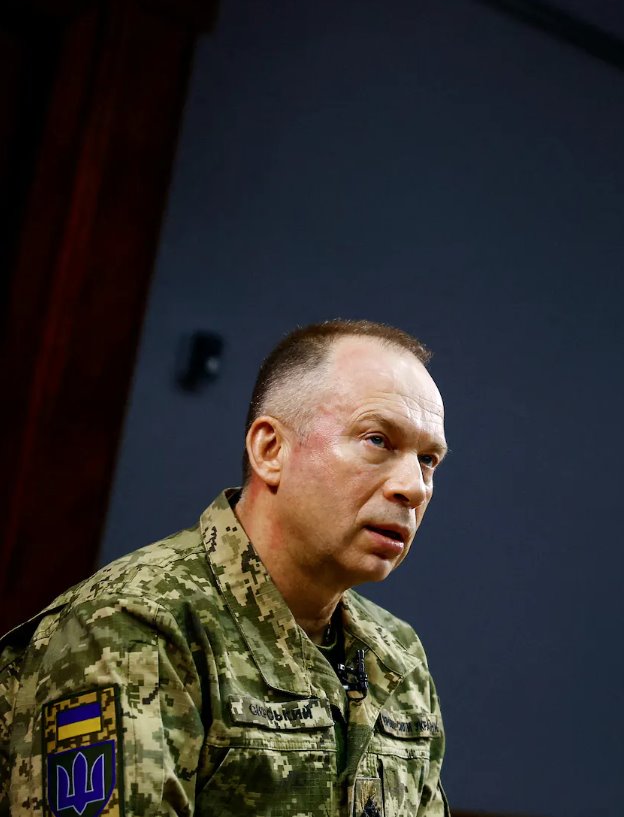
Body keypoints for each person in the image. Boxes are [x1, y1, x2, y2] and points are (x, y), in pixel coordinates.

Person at [0, 319, 451, 816]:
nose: (413, 487)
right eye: (378, 440)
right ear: (270, 450)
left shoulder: (398, 653)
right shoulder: (133, 625)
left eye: (428, 460)